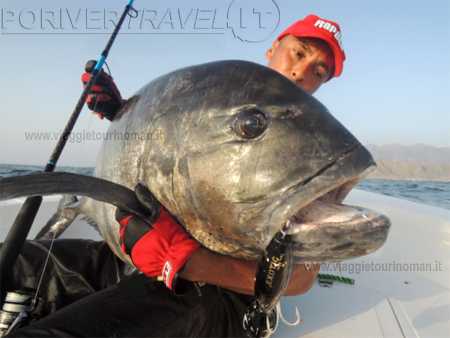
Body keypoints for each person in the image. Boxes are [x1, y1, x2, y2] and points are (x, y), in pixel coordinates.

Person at [7, 14, 345, 337]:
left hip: (218, 295)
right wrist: (120, 113)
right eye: (298, 53)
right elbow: (168, 147)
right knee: (15, 260)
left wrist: (186, 261)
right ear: (274, 48)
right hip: (138, 264)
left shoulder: (311, 151)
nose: (302, 72)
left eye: (318, 71)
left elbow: (302, 278)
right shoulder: (218, 100)